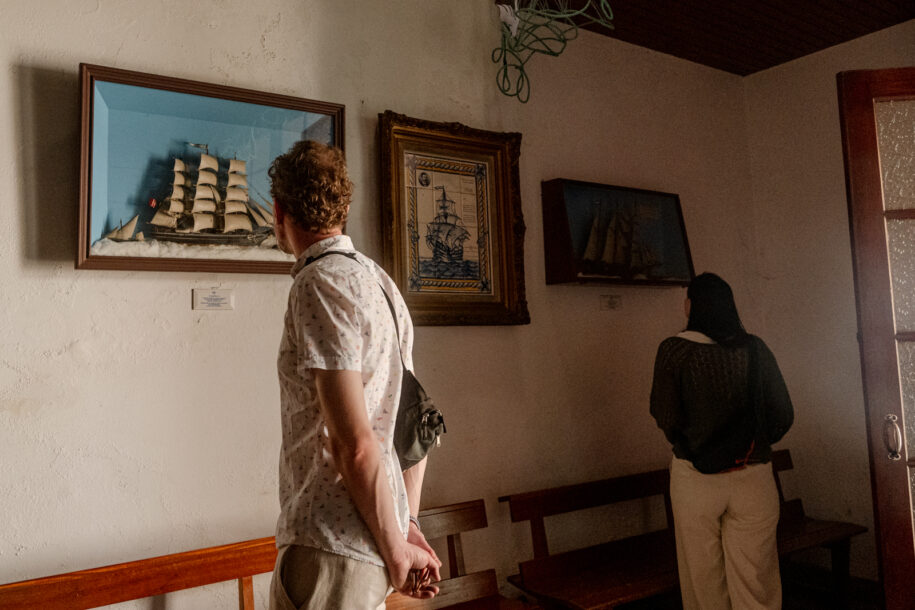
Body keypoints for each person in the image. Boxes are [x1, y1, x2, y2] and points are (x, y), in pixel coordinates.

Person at [268, 140, 441, 610]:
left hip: (330, 548)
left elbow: (356, 444)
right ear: (344, 207)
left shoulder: (317, 283)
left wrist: (397, 547)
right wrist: (405, 528)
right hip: (370, 547)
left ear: (278, 210)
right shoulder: (379, 283)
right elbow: (414, 421)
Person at [650, 273, 793, 610]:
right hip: (754, 476)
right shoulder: (755, 349)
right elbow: (783, 414)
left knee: (704, 586)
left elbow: (665, 416)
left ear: (690, 306)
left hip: (695, 479)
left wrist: (695, 444)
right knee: (756, 585)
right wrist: (752, 445)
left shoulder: (674, 351)